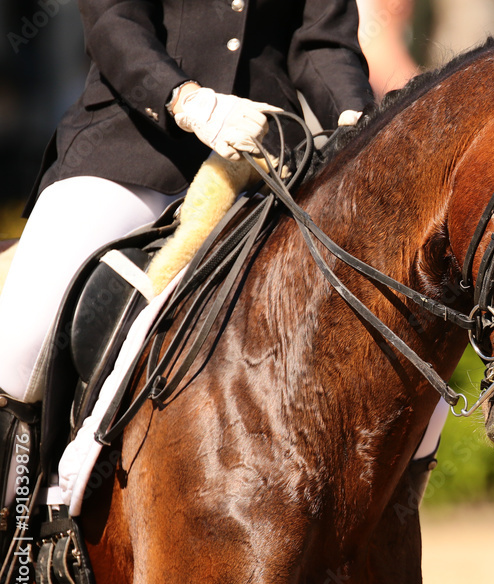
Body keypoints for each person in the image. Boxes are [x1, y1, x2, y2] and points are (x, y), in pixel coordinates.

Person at [0, 0, 374, 415]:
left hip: (262, 153)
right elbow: (112, 19)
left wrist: (357, 122)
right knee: (23, 341)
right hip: (131, 149)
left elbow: (323, 42)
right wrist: (185, 99)